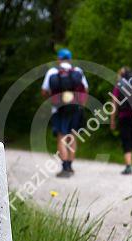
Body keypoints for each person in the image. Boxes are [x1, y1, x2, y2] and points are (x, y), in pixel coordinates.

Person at [41, 48, 89, 178]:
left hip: (59, 109)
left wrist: (52, 101)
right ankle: (70, 166)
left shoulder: (52, 72)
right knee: (73, 136)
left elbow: (44, 91)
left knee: (62, 137)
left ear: (59, 59)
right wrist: (81, 106)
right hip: (76, 108)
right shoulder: (78, 71)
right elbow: (85, 89)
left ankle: (65, 168)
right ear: (70, 58)